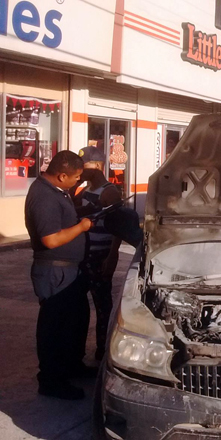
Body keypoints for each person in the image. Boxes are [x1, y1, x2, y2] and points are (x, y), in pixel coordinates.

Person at [24, 150, 94, 400]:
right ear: (62, 175)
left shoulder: (57, 191)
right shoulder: (44, 196)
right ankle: (51, 380)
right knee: (55, 327)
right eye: (76, 177)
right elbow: (51, 239)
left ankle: (72, 366)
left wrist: (82, 213)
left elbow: (61, 221)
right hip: (55, 272)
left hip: (69, 270)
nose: (78, 181)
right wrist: (82, 227)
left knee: (74, 322)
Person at [73, 146, 122, 361]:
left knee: (103, 306)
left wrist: (112, 257)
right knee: (79, 304)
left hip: (100, 255)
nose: (80, 170)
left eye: (84, 166)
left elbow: (118, 229)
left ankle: (103, 350)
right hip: (84, 254)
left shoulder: (109, 192)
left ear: (98, 166)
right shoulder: (84, 190)